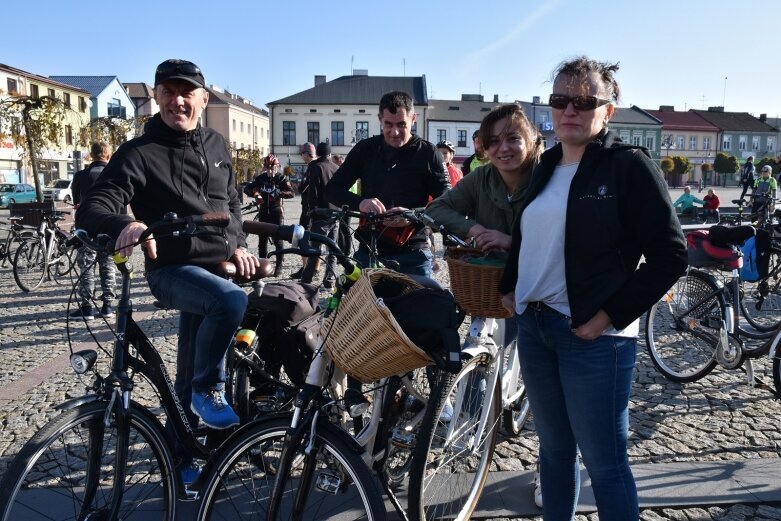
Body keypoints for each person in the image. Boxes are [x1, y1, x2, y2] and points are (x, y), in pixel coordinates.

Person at [499, 56, 687, 520]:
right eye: (561, 99)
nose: (570, 110)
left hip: (594, 338)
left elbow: (670, 256)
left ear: (609, 110)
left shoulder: (629, 167)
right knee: (554, 453)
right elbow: (526, 234)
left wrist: (606, 317)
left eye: (585, 101)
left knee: (605, 464)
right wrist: (510, 289)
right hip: (537, 328)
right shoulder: (544, 166)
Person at [76, 59, 263, 483]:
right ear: (157, 97)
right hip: (173, 270)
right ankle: (208, 390)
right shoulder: (139, 152)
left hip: (218, 267)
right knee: (227, 307)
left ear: (203, 98)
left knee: (188, 368)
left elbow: (232, 202)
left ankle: (185, 456)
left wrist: (238, 245)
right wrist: (127, 224)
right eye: (169, 92)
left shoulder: (216, 143)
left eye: (187, 93)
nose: (178, 100)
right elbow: (94, 206)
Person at [427, 103, 544, 506]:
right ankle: (467, 414)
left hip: (542, 286)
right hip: (490, 283)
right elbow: (438, 208)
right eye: (493, 141)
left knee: (544, 378)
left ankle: (550, 465)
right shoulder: (482, 180)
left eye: (513, 138)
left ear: (532, 141)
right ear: (482, 147)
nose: (504, 148)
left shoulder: (547, 178)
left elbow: (565, 234)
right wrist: (474, 227)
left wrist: (512, 242)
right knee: (481, 336)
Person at [325, 91, 450, 276]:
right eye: (388, 125)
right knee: (363, 305)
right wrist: (361, 203)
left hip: (413, 251)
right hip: (370, 249)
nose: (395, 132)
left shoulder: (428, 153)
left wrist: (412, 215)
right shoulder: (365, 149)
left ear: (413, 119)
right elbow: (332, 190)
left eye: (402, 124)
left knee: (420, 304)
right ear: (379, 120)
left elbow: (446, 200)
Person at [70, 142, 117, 320]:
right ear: (108, 155)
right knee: (108, 266)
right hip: (109, 226)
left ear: (91, 154)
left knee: (86, 267)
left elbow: (76, 202)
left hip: (87, 228)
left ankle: (87, 307)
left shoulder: (81, 176)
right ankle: (107, 306)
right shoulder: (114, 174)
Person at [244, 153, 294, 275]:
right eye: (268, 168)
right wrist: (255, 194)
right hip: (263, 212)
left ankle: (279, 265)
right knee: (262, 241)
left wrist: (279, 193)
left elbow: (291, 193)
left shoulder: (281, 178)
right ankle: (263, 265)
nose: (270, 170)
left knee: (278, 240)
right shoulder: (261, 178)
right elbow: (247, 189)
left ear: (277, 167)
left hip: (276, 211)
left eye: (273, 168)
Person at [303, 142, 339, 289]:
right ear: (330, 154)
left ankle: (306, 280)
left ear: (317, 153)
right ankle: (329, 281)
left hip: (320, 214)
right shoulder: (336, 168)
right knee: (333, 250)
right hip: (335, 213)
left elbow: (313, 190)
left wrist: (312, 209)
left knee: (315, 249)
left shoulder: (315, 167)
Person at [291, 143, 317, 279]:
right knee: (314, 238)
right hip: (312, 209)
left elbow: (303, 188)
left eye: (302, 153)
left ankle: (307, 268)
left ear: (307, 154)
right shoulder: (315, 167)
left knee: (304, 237)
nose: (301, 156)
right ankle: (314, 268)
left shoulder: (312, 168)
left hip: (308, 210)